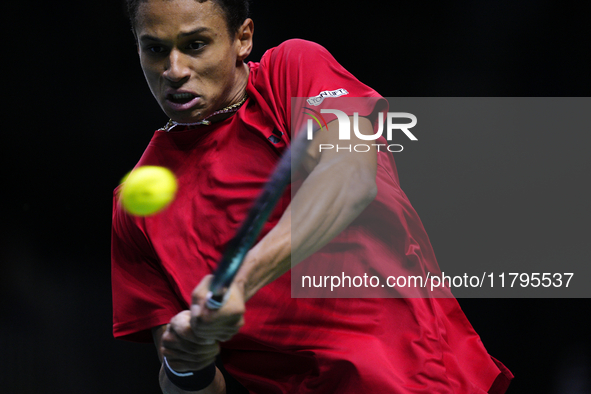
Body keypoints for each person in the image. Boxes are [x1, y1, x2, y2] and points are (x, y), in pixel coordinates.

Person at [112, 0, 514, 393]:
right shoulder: (134, 210)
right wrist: (187, 363)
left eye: (196, 45)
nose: (175, 70)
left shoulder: (293, 72)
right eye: (156, 49)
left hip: (418, 377)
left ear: (243, 38)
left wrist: (241, 281)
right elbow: (190, 384)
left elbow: (350, 175)